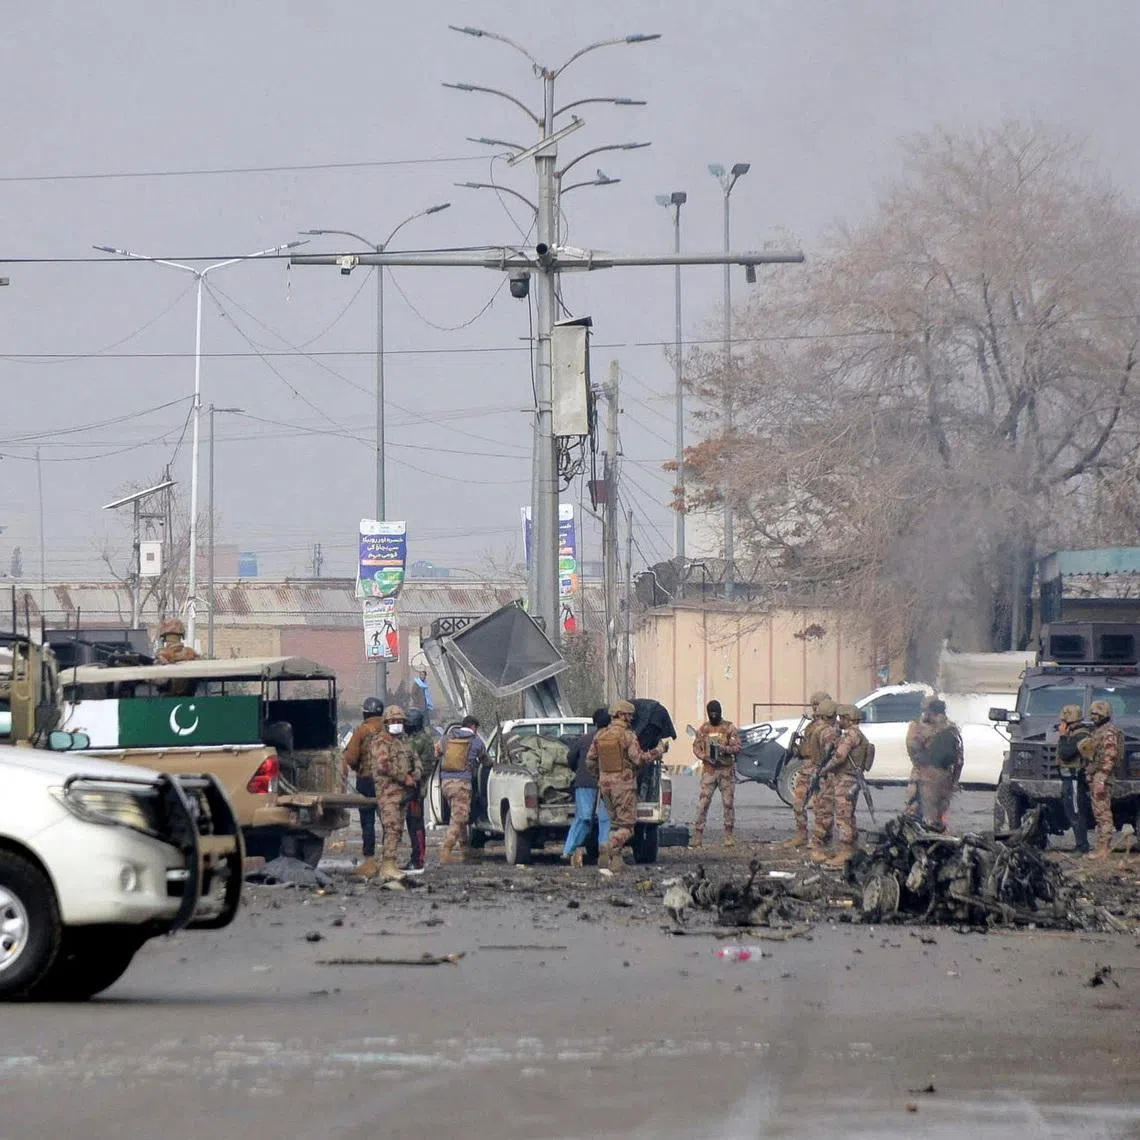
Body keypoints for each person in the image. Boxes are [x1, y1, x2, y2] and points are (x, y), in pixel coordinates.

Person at [586, 700, 668, 871]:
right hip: (623, 786)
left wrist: (600, 777)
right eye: (629, 715)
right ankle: (608, 847)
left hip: (605, 787)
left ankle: (615, 860)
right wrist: (658, 752)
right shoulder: (627, 735)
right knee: (628, 828)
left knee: (615, 824)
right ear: (621, 715)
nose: (631, 718)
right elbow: (638, 758)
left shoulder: (600, 735)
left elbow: (590, 761)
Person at [365, 705, 421, 881]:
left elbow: (416, 760)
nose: (397, 724)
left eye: (399, 721)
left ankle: (388, 862)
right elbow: (384, 765)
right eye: (393, 722)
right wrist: (404, 777)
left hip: (403, 794)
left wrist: (415, 774)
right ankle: (388, 864)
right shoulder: (380, 742)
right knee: (391, 828)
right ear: (386, 723)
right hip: (388, 794)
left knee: (397, 829)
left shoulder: (404, 742)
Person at [810, 704, 870, 867]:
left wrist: (824, 770)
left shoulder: (851, 734)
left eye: (841, 718)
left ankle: (845, 853)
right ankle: (852, 850)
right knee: (849, 815)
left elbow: (839, 756)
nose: (839, 721)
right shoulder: (857, 733)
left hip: (845, 780)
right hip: (851, 779)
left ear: (848, 719)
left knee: (843, 816)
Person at [562, 707, 612, 868]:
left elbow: (570, 757)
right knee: (605, 819)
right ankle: (604, 852)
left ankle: (568, 851)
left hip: (585, 783)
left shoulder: (584, 739)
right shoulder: (614, 739)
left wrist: (577, 769)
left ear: (594, 722)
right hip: (608, 783)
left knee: (583, 818)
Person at [785, 692, 836, 848]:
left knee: (821, 806)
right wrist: (797, 749)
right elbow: (807, 747)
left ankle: (822, 837)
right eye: (813, 705)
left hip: (820, 769)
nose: (814, 708)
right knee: (798, 802)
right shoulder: (811, 725)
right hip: (806, 768)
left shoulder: (829, 727)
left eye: (817, 705)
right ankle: (801, 835)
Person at [341, 696, 384, 878]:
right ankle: (388, 859)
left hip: (366, 781)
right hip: (386, 781)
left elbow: (350, 758)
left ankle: (370, 861)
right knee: (388, 820)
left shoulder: (361, 731)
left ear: (365, 712)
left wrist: (356, 766)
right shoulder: (388, 730)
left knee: (367, 821)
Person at [690, 699, 743, 848]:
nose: (713, 715)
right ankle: (698, 835)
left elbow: (738, 746)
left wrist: (724, 749)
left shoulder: (729, 727)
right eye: (711, 713)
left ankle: (728, 836)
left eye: (716, 713)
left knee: (728, 803)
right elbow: (696, 748)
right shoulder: (704, 729)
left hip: (725, 770)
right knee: (703, 803)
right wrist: (705, 757)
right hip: (709, 771)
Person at [436, 715, 487, 864]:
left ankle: (465, 852)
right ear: (474, 727)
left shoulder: (446, 739)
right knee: (459, 818)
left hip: (445, 783)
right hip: (462, 785)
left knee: (458, 816)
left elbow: (437, 753)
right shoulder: (476, 741)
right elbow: (486, 760)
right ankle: (446, 850)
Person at [1078, 699, 1124, 860]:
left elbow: (1110, 756)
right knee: (1099, 813)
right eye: (1092, 713)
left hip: (1102, 777)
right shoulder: (1099, 731)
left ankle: (1103, 849)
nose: (1094, 716)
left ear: (1106, 714)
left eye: (1098, 714)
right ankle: (1101, 848)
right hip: (1096, 775)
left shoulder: (1107, 732)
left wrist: (1101, 778)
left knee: (1103, 814)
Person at [912, 699, 963, 832]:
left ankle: (931, 841)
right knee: (941, 810)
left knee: (929, 813)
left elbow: (915, 747)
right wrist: (955, 780)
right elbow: (959, 758)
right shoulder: (952, 728)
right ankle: (941, 835)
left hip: (930, 774)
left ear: (931, 711)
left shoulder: (928, 728)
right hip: (947, 775)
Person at [1056, 704, 1092, 854]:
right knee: (1071, 812)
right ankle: (1080, 844)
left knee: (1077, 813)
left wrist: (1063, 736)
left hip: (1075, 780)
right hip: (1069, 780)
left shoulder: (1081, 735)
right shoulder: (1074, 734)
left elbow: (1065, 753)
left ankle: (1082, 845)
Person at [403, 708, 435, 871]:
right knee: (414, 823)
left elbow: (407, 760)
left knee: (415, 824)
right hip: (417, 787)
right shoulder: (424, 738)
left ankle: (418, 858)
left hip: (415, 788)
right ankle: (417, 857)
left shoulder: (418, 740)